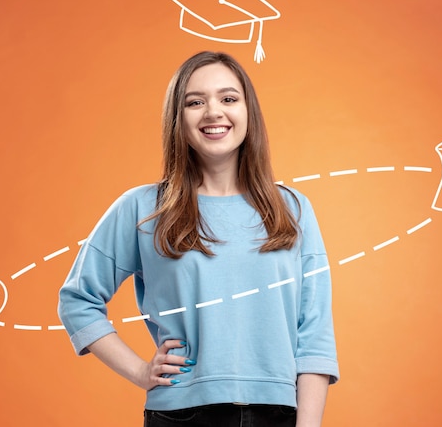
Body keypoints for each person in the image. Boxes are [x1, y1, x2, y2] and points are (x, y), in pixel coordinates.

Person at [58, 51, 339, 426]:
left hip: (280, 414)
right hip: (181, 415)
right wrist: (141, 372)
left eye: (228, 98)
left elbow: (314, 334)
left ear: (247, 112)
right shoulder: (143, 208)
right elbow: (77, 301)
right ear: (178, 119)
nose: (213, 113)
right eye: (195, 102)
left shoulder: (293, 209)